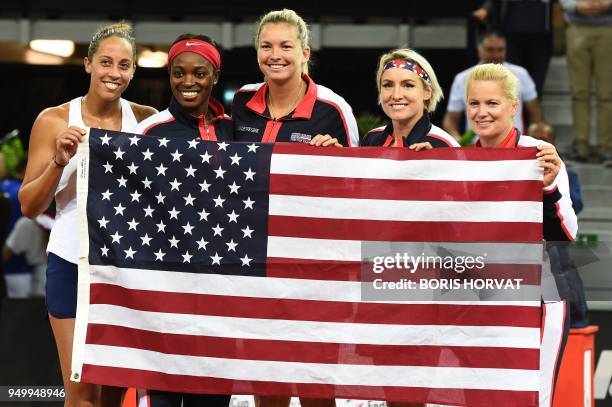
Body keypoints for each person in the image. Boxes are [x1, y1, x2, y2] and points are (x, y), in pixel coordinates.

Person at [18, 22, 157, 406]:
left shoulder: (147, 121)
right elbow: (30, 206)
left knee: (114, 395)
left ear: (133, 71)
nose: (114, 73)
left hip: (124, 268)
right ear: (88, 64)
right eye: (106, 62)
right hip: (71, 262)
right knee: (81, 394)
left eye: (124, 65)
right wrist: (59, 163)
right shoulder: (54, 120)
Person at [465, 63, 578, 403]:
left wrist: (546, 190)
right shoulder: (459, 158)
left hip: (537, 298)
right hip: (479, 300)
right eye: (474, 104)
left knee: (529, 399)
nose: (481, 113)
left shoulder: (539, 155)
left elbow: (566, 232)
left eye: (492, 104)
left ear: (514, 107)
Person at [132, 33, 232, 407]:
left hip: (221, 292)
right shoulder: (149, 132)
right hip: (165, 291)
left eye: (199, 73)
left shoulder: (233, 129)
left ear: (215, 76)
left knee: (213, 397)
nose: (188, 82)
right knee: (162, 396)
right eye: (178, 73)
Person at [231, 8, 359, 148]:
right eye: (266, 46)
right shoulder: (243, 99)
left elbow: (354, 167)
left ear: (305, 54)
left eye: (286, 46)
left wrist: (336, 156)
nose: (275, 55)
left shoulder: (334, 109)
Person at [442, 30, 543, 143]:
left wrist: (531, 139)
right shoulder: (462, 78)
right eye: (490, 50)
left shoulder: (521, 74)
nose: (496, 55)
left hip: (514, 146)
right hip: (475, 149)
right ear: (479, 50)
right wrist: (458, 142)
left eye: (500, 50)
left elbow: (535, 111)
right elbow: (451, 118)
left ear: (514, 106)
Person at [361, 48, 459, 150]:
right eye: (388, 85)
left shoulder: (445, 146)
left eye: (408, 85)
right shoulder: (371, 139)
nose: (396, 95)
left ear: (427, 92)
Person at [559, 0, 612, 164]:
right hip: (577, 27)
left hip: (607, 28)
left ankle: (607, 147)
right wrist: (574, 5)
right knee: (579, 92)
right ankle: (581, 145)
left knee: (607, 93)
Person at [472, 0, 554, 97]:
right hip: (510, 34)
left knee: (535, 88)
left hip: (541, 35)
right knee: (509, 85)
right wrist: (486, 9)